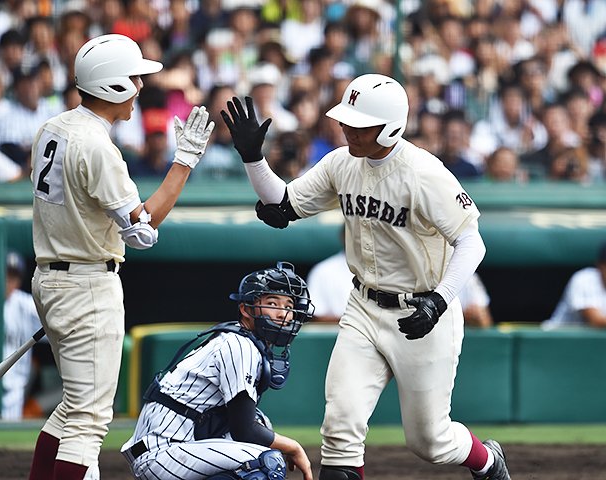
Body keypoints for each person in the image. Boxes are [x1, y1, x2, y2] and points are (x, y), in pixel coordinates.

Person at [221, 73, 511, 480]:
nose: (347, 128)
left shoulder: (425, 173)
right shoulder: (342, 162)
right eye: (346, 121)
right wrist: (253, 158)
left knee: (430, 441)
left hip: (423, 313)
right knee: (339, 431)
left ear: (390, 126)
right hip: (363, 308)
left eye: (359, 123)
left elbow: (472, 241)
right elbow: (283, 205)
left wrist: (440, 299)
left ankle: (487, 460)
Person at [28, 34, 214, 480]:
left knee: (73, 407)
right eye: (133, 78)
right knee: (89, 421)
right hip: (86, 283)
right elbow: (143, 232)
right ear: (111, 85)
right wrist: (183, 163)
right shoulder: (97, 146)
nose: (139, 87)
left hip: (51, 277)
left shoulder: (51, 128)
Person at [121, 262, 314, 480]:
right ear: (246, 309)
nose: (284, 314)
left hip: (178, 448)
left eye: (289, 307)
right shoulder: (239, 345)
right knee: (265, 463)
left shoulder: (244, 341)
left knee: (262, 425)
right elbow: (245, 430)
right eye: (272, 303)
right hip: (162, 453)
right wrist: (294, 447)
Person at [2, 251, 43, 420]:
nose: (9, 282)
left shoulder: (25, 304)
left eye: (14, 277)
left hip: (14, 388)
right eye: (6, 275)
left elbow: (58, 325)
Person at [541, 242, 606, 330]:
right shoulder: (584, 279)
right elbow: (596, 321)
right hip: (555, 339)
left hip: (589, 342)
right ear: (599, 265)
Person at [306, 226, 353, 324]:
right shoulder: (324, 270)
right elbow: (315, 317)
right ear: (343, 236)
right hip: (340, 335)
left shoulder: (389, 269)